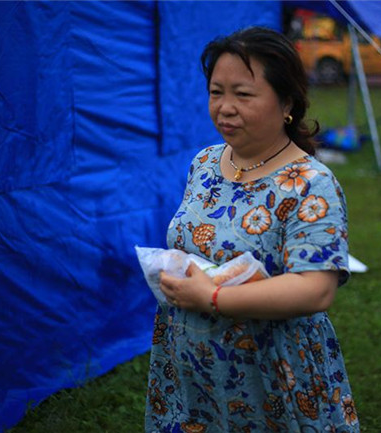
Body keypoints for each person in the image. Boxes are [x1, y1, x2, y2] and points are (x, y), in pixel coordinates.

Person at [146, 26, 360, 433]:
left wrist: (213, 297)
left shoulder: (311, 184)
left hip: (271, 374)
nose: (225, 108)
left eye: (243, 94)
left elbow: (316, 289)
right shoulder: (205, 163)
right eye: (216, 92)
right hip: (193, 369)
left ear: (287, 103)